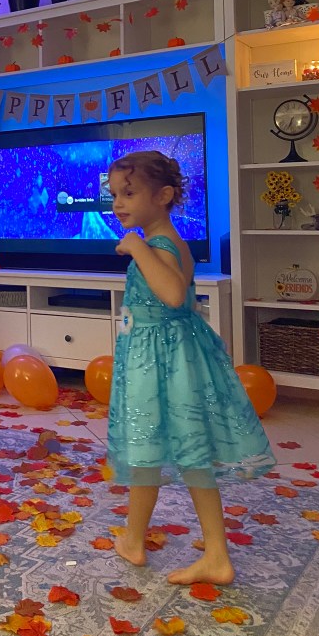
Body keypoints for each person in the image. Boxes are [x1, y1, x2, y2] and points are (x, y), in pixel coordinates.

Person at [106, 150, 275, 585]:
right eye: (114, 195)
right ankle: (179, 547)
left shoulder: (156, 243)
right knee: (178, 453)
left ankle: (146, 542)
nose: (118, 203)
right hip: (170, 357)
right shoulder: (172, 240)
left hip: (159, 363)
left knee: (155, 449)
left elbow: (173, 293)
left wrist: (137, 247)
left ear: (163, 195)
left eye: (129, 193)